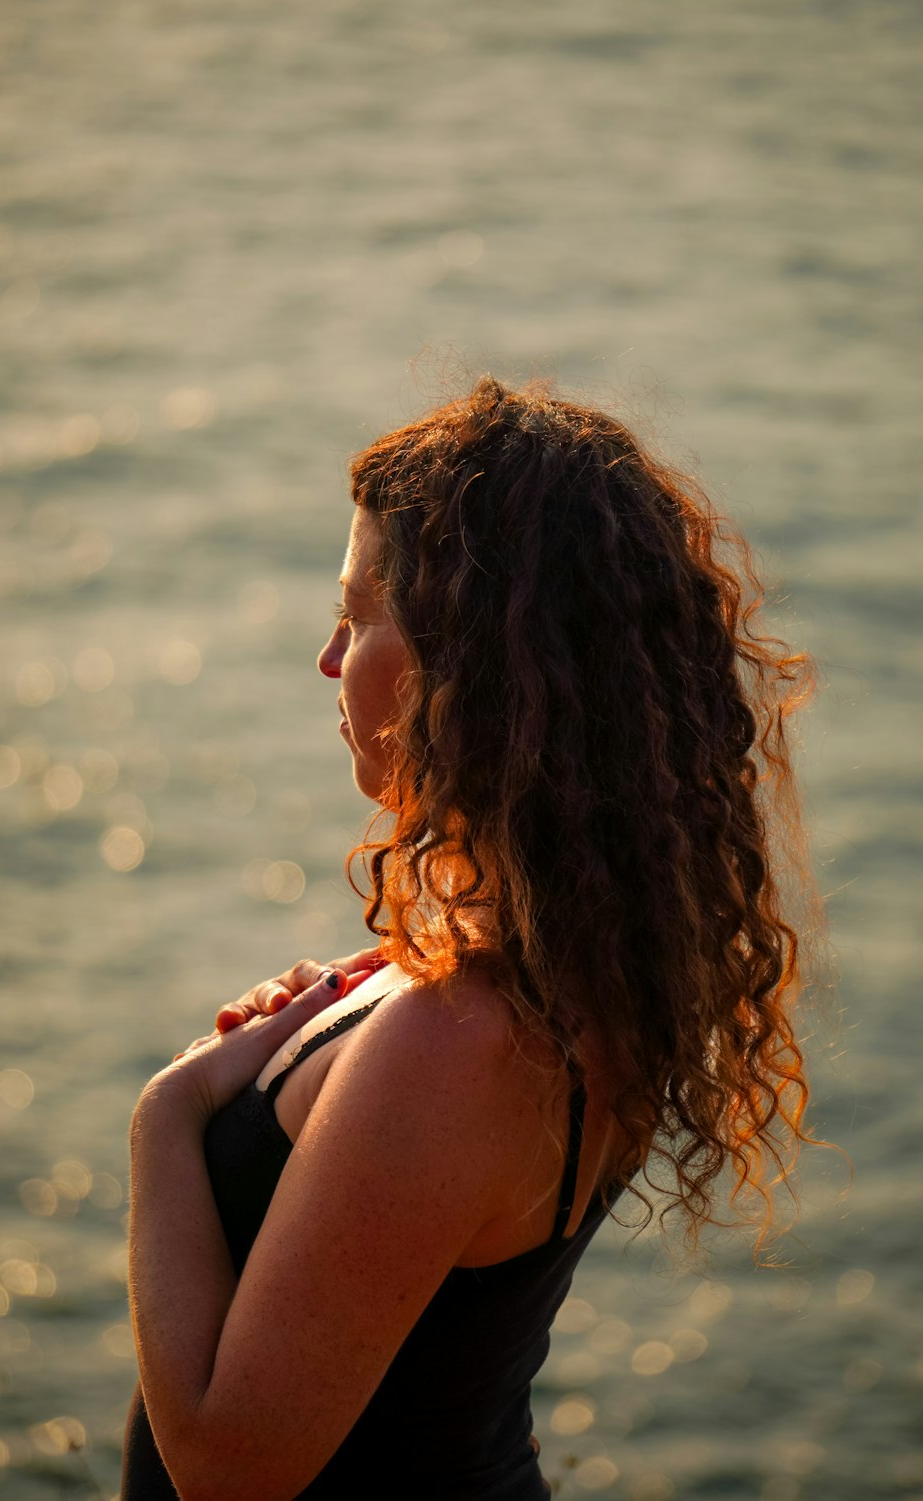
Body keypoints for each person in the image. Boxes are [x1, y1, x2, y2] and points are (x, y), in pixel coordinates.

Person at [122, 376, 818, 1500]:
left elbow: (222, 1463)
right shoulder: (580, 955)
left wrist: (170, 1115)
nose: (327, 659)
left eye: (357, 616)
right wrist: (324, 1061)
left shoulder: (461, 1040)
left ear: (473, 661)